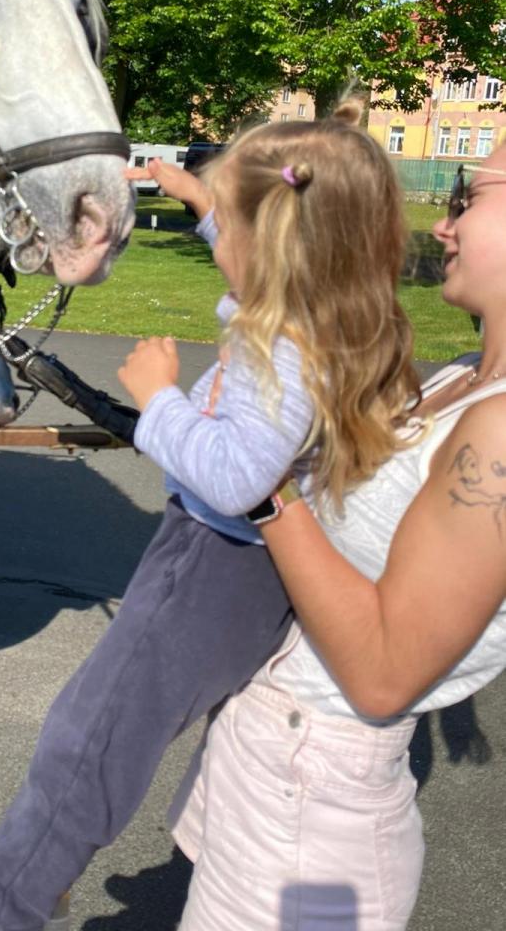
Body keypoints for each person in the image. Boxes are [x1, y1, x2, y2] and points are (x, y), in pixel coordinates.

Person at [0, 106, 420, 931]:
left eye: (227, 228)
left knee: (91, 740)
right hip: (241, 574)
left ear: (274, 244)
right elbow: (256, 245)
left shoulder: (283, 345)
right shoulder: (337, 316)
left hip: (211, 566)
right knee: (108, 732)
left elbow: (239, 477)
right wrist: (199, 197)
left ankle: (0, 908)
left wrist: (158, 400)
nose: (216, 243)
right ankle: (31, 864)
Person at [171, 155, 506, 929]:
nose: (444, 225)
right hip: (270, 755)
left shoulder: (498, 431)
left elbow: (384, 674)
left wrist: (262, 488)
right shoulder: (460, 380)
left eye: (469, 200)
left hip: (309, 802)